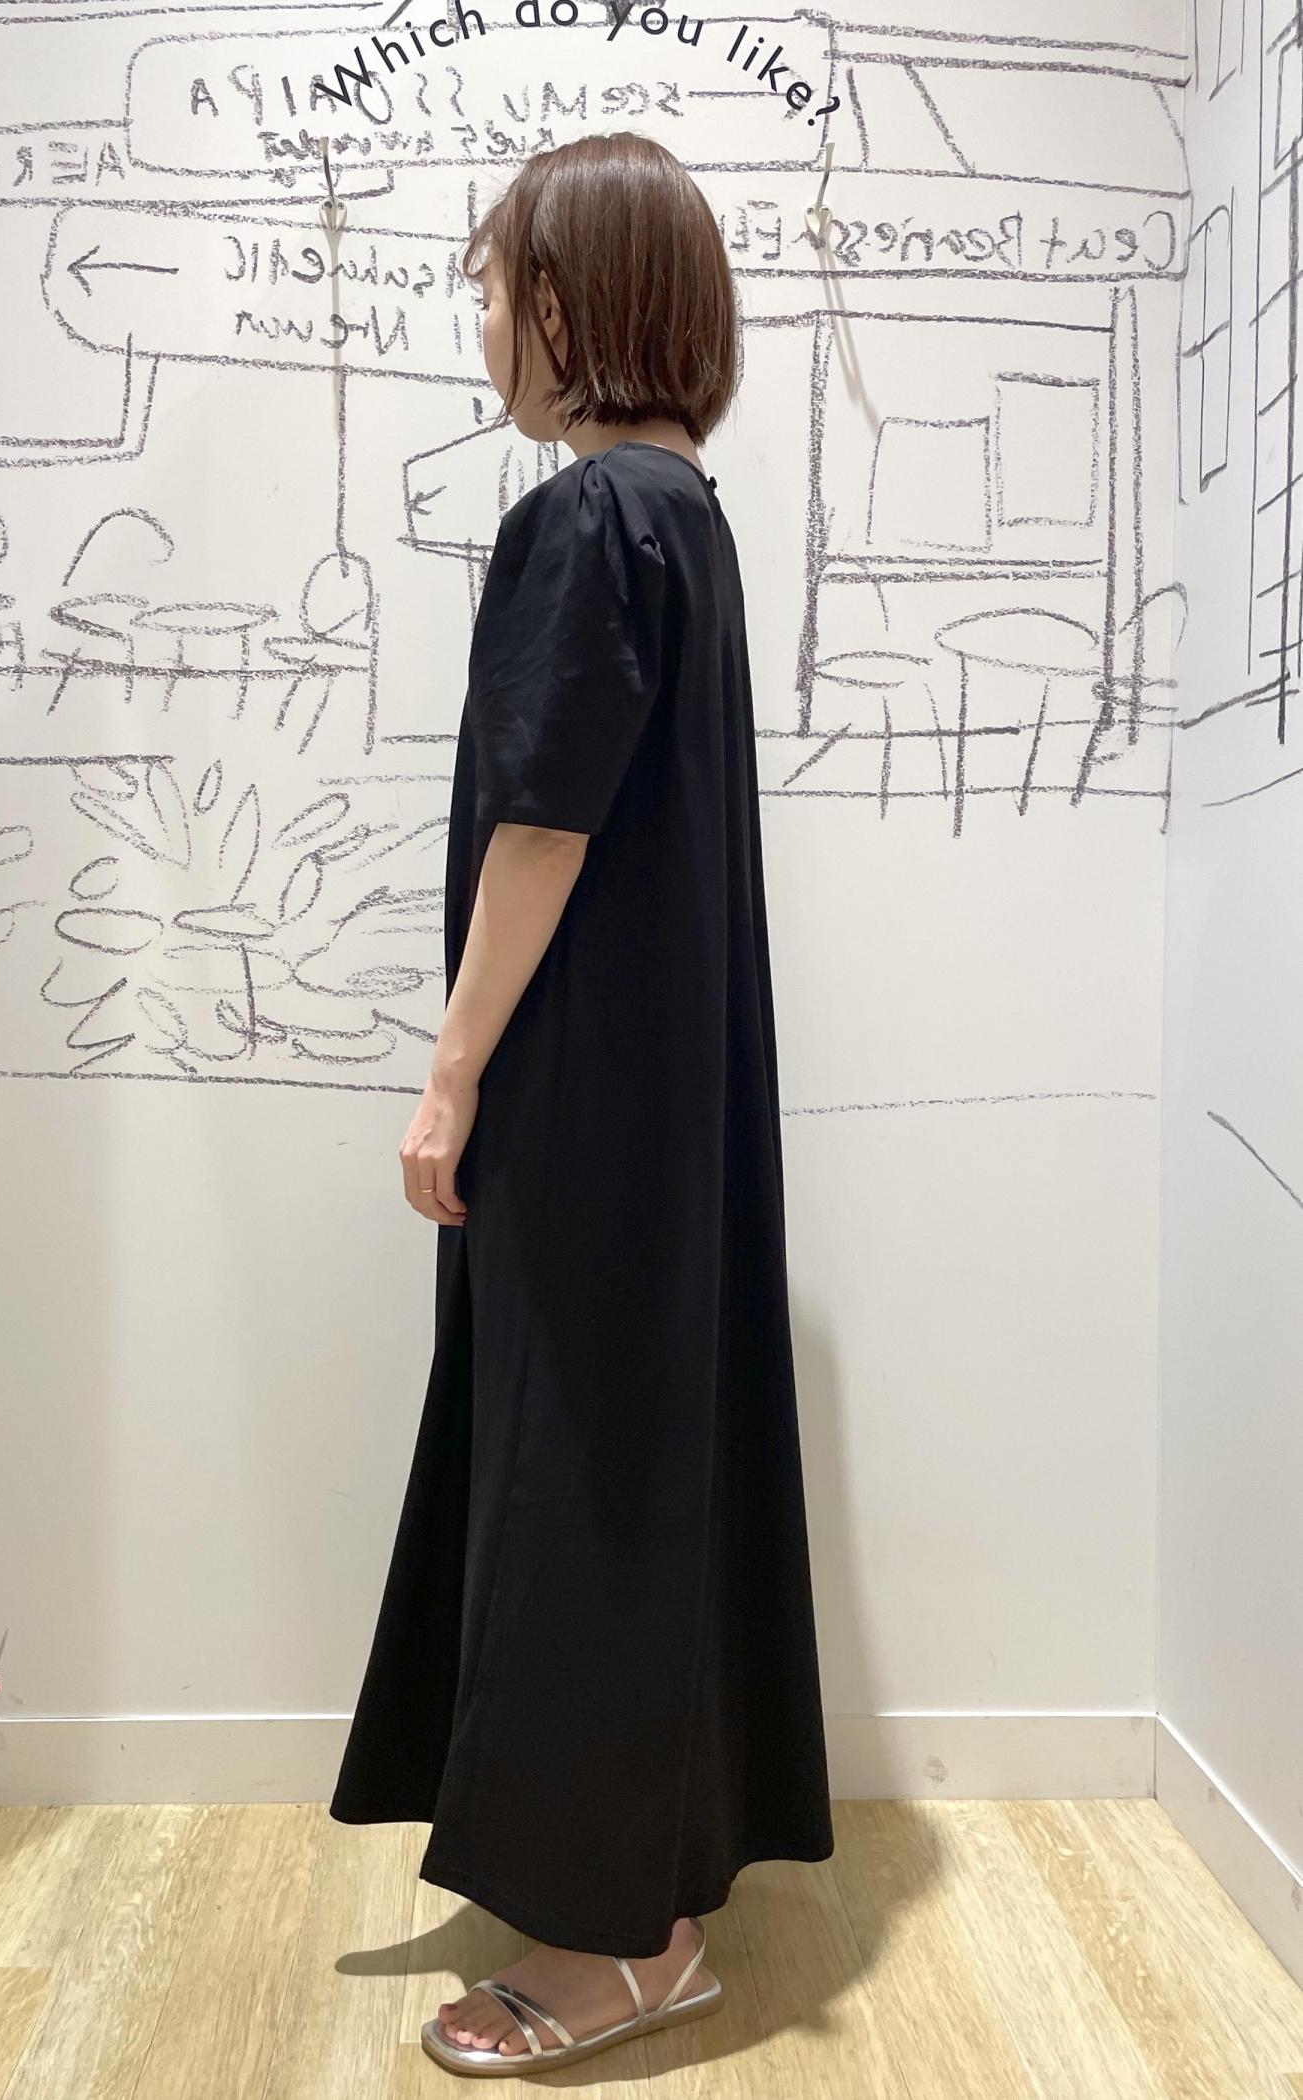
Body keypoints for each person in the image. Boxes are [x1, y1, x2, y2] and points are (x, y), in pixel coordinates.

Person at [328, 129, 834, 2074]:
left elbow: (540, 825)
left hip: (583, 1098)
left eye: (490, 289)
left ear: (560, 301)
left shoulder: (588, 519)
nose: (481, 326)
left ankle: (630, 1947)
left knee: (582, 1483)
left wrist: (450, 1074)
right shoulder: (682, 515)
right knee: (629, 1461)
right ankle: (652, 1888)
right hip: (665, 1103)